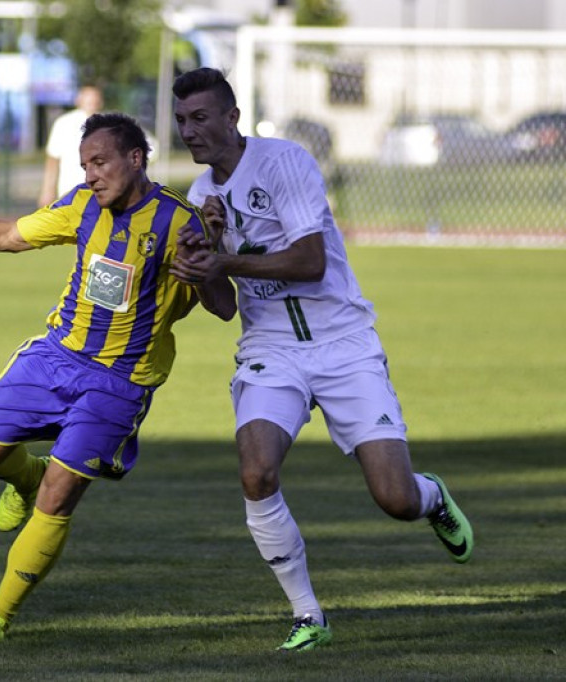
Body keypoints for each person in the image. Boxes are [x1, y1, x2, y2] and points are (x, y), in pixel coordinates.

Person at [0, 112, 233, 643]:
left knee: (60, 494)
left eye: (100, 163)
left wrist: (203, 268)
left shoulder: (178, 221)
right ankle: (24, 477)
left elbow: (223, 306)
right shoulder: (79, 206)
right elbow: (9, 234)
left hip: (121, 381)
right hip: (56, 357)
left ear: (135, 159)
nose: (91, 174)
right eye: (85, 165)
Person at [169, 67, 474, 652]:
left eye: (201, 117)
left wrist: (225, 262)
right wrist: (199, 263)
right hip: (271, 349)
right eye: (182, 120)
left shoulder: (285, 163)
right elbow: (224, 309)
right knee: (256, 470)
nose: (190, 130)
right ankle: (308, 615)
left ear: (232, 117)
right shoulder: (201, 197)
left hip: (343, 343)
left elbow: (309, 262)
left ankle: (430, 495)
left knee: (395, 499)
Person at [37, 85, 104, 207]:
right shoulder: (64, 123)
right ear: (79, 101)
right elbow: (53, 159)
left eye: (94, 101)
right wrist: (47, 190)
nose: (91, 104)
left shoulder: (108, 125)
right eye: (88, 100)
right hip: (70, 191)